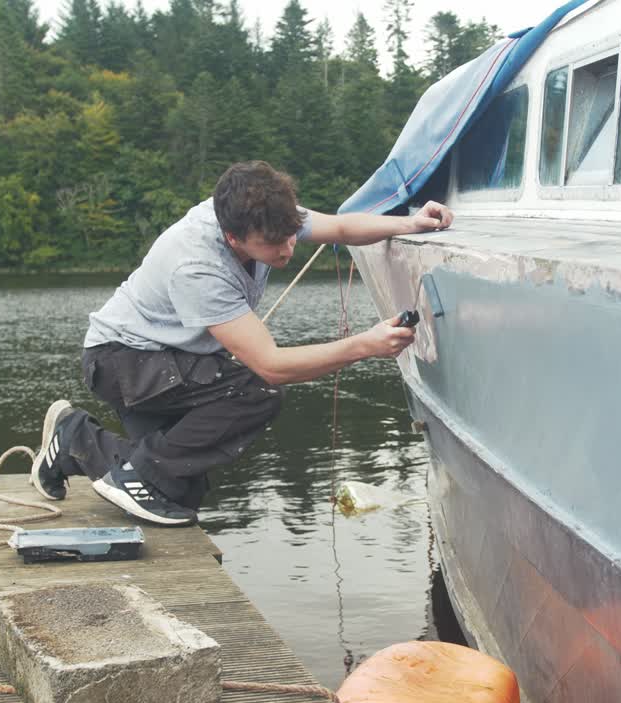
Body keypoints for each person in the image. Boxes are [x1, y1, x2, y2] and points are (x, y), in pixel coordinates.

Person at [28, 160, 454, 526]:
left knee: (181, 489)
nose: (288, 249)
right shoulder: (199, 266)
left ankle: (70, 446)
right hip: (123, 363)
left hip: (165, 360)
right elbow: (271, 366)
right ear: (233, 238)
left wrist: (409, 222)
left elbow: (340, 227)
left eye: (292, 234)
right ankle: (93, 446)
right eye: (273, 244)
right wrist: (365, 345)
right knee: (257, 391)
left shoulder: (266, 214)